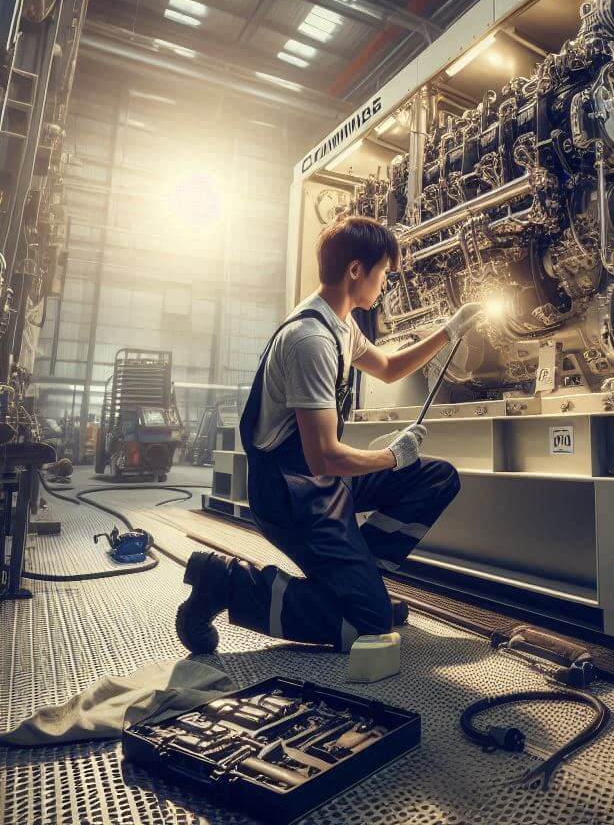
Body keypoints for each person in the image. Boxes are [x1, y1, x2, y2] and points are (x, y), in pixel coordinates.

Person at [175, 215, 483, 654]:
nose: (385, 285)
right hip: (291, 495)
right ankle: (223, 583)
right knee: (367, 626)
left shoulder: (341, 324)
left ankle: (361, 581)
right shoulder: (310, 340)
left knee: (437, 478)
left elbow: (389, 367)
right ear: (356, 271)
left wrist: (448, 331)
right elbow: (323, 458)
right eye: (383, 274)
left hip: (321, 482)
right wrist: (391, 457)